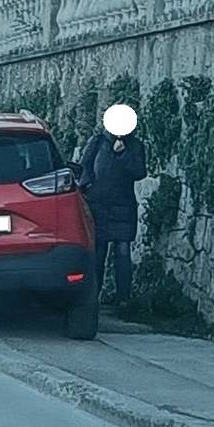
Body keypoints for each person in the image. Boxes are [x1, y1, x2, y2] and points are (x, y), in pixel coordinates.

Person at [79, 125, 147, 304]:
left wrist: (123, 155)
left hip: (123, 205)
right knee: (98, 252)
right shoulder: (98, 141)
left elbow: (140, 172)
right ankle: (93, 297)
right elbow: (84, 165)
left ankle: (123, 299)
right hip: (98, 205)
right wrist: (88, 187)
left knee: (123, 252)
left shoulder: (135, 145)